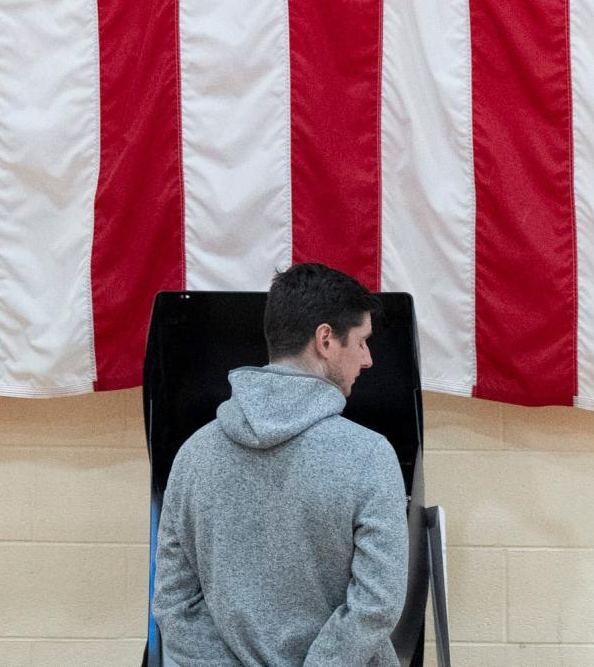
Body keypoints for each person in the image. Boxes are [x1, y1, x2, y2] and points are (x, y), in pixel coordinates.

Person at [152, 262, 410, 667]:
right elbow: (377, 604)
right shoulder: (370, 455)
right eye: (361, 342)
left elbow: (173, 603)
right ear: (325, 339)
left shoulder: (193, 455)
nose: (368, 359)